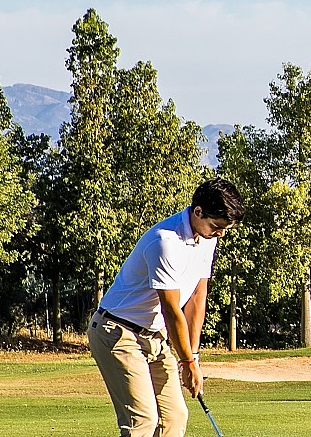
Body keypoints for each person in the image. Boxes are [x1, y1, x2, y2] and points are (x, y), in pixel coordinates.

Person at [89, 177, 242, 437]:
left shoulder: (207, 239)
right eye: (216, 226)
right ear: (197, 212)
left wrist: (193, 357)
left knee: (174, 416)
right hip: (116, 331)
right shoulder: (165, 241)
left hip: (153, 336)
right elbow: (172, 310)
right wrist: (185, 361)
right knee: (143, 421)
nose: (220, 234)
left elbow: (196, 296)